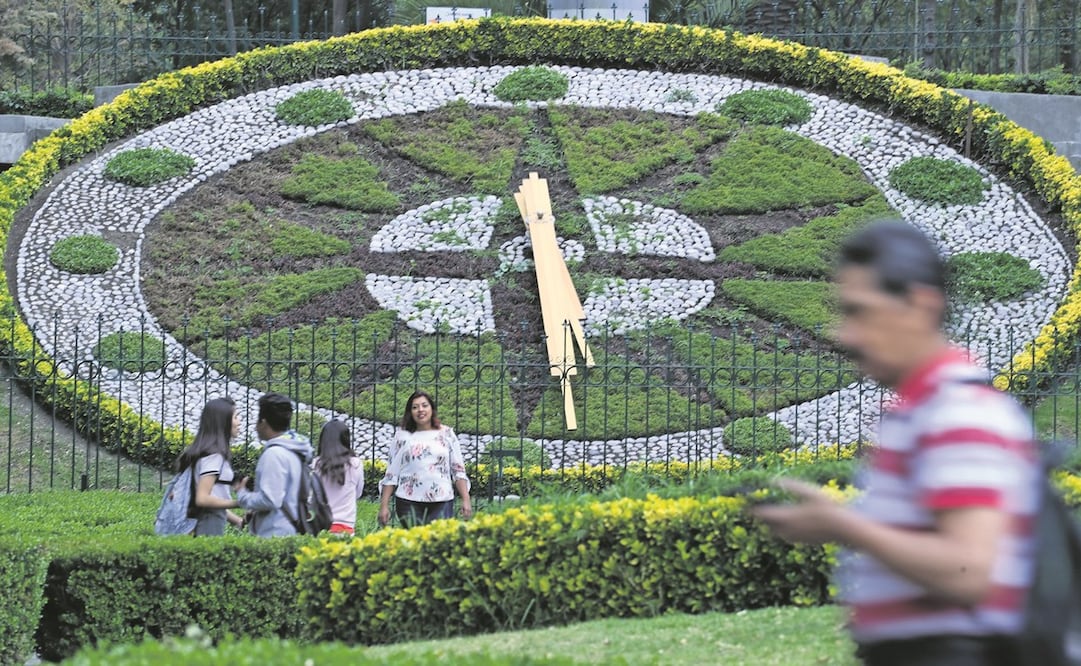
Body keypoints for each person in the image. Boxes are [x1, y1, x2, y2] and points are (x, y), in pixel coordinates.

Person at [752, 220, 1039, 666]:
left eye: (859, 312)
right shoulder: (919, 412)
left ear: (920, 305)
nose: (843, 335)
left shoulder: (958, 412)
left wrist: (843, 526)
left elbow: (969, 570)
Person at [378, 390, 472, 528]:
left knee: (437, 543)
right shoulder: (402, 436)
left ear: (431, 408)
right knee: (414, 544)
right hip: (408, 501)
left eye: (424, 405)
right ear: (410, 412)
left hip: (442, 500)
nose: (420, 410)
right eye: (415, 407)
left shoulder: (446, 434)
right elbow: (391, 473)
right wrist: (384, 505)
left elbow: (458, 470)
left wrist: (466, 499)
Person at [233, 392, 314, 537]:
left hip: (274, 532)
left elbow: (270, 500)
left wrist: (242, 495)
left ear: (263, 422)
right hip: (291, 527)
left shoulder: (274, 454)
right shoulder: (295, 450)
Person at [175, 396, 244, 536]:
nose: (239, 422)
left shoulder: (206, 453)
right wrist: (240, 502)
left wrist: (237, 520)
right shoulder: (214, 457)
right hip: (208, 521)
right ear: (223, 422)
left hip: (207, 518)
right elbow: (203, 499)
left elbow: (215, 496)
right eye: (235, 417)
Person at [313, 419, 364, 535]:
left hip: (321, 527)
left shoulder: (316, 464)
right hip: (346, 528)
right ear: (346, 440)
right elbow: (358, 493)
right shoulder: (355, 464)